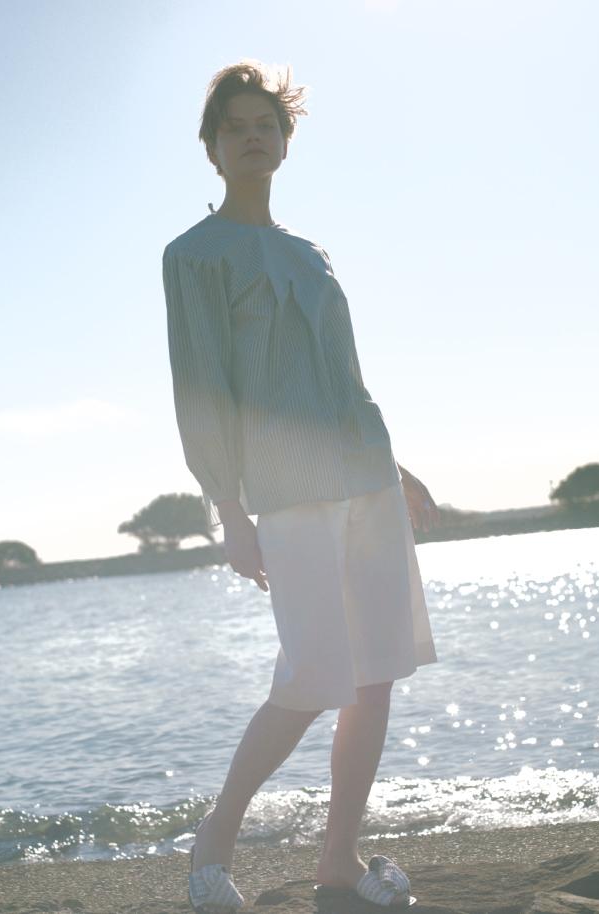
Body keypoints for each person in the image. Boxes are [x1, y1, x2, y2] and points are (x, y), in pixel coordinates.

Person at [162, 60, 439, 914]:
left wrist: (396, 468)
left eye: (266, 125)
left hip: (366, 477)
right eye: (235, 126)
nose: (252, 137)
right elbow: (201, 390)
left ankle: (338, 858)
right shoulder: (193, 255)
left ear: (284, 143)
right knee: (312, 677)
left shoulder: (311, 254)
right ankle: (214, 842)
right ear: (211, 148)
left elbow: (345, 377)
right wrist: (228, 509)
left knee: (374, 676)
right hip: (286, 493)